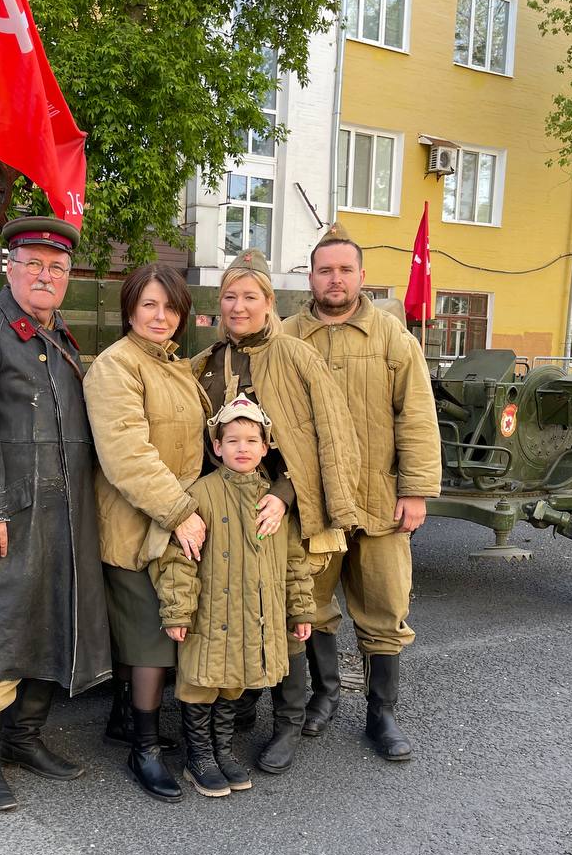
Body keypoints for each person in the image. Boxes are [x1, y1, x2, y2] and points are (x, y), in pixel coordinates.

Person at [0, 216, 111, 812]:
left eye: (56, 268)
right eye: (33, 264)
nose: (45, 275)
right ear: (9, 269)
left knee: (49, 623)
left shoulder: (58, 338)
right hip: (6, 517)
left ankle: (25, 740)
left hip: (62, 516)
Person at [191, 248, 361, 776]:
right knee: (233, 609)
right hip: (225, 510)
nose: (239, 306)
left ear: (269, 302)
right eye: (230, 296)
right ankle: (235, 708)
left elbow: (327, 437)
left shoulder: (296, 356)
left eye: (250, 296)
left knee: (287, 617)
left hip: (283, 509)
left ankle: (287, 723)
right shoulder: (207, 362)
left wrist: (284, 496)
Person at [281, 228, 442, 761]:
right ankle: (323, 698)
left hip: (378, 500)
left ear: (361, 277)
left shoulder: (393, 338)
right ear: (310, 278)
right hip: (315, 506)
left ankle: (382, 714)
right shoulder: (287, 337)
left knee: (385, 607)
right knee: (313, 604)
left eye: (345, 270)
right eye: (325, 270)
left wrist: (416, 491)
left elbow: (417, 417)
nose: (335, 279)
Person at [83, 264, 208, 803]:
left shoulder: (173, 365)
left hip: (172, 518)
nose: (162, 317)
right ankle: (146, 749)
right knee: (151, 637)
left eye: (171, 307)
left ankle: (123, 721)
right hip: (136, 524)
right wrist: (182, 512)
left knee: (150, 634)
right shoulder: (117, 367)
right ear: (129, 308)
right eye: (150, 305)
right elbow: (127, 457)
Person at [153, 397, 314, 797]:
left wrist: (301, 609)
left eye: (252, 440)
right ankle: (199, 757)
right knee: (200, 684)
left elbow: (294, 560)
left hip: (252, 616)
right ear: (217, 447)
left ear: (265, 448)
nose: (242, 448)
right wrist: (178, 612)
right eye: (233, 440)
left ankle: (222, 751)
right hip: (209, 614)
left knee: (233, 683)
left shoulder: (274, 503)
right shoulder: (200, 496)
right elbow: (179, 560)